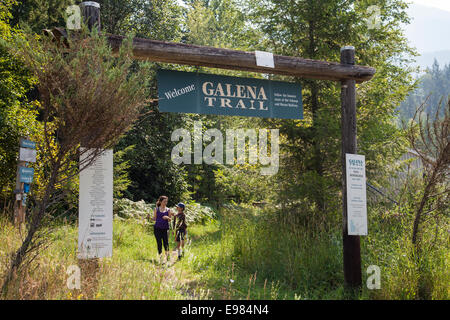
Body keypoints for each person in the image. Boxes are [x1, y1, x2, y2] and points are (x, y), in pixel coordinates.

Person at [151, 195, 173, 265]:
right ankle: (160, 258)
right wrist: (149, 218)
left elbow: (170, 220)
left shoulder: (168, 210)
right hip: (157, 228)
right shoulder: (156, 209)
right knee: (159, 243)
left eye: (166, 201)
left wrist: (167, 217)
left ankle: (167, 256)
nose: (165, 203)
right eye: (164, 201)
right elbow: (154, 218)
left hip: (165, 229)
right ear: (160, 202)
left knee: (166, 243)